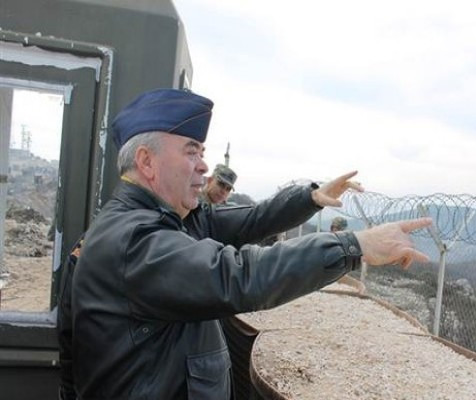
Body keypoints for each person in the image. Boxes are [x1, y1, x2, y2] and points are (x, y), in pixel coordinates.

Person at [70, 88, 431, 400]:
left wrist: (310, 199)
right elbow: (239, 275)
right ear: (147, 162)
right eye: (191, 151)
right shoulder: (135, 240)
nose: (204, 166)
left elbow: (250, 222)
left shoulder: (173, 220)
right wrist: (354, 246)